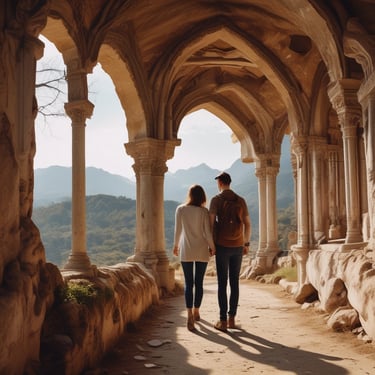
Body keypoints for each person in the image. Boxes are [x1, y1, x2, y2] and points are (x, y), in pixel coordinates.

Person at [209, 172, 251, 331]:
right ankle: (232, 318)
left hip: (222, 246)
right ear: (230, 182)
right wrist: (246, 243)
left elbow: (210, 223)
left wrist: (211, 244)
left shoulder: (216, 200)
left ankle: (223, 321)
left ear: (219, 183)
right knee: (235, 283)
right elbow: (248, 224)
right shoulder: (240, 200)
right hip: (238, 245)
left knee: (222, 283)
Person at [173, 184, 216, 331]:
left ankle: (189, 313)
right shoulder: (204, 211)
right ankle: (197, 310)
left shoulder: (181, 209)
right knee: (199, 283)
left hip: (186, 250)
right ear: (202, 196)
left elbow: (178, 230)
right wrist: (213, 247)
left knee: (188, 283)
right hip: (201, 250)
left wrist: (175, 245)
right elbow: (207, 233)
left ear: (190, 195)